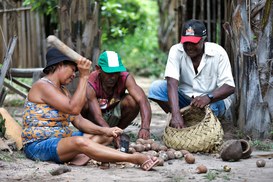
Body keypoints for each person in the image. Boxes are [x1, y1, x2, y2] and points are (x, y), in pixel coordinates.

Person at [21, 47, 159, 171]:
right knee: (79, 142)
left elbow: (79, 121)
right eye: (73, 70)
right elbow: (74, 108)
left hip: (61, 141)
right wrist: (84, 76)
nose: (74, 74)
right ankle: (134, 159)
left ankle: (82, 154)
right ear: (60, 65)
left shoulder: (63, 91)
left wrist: (107, 130)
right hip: (39, 146)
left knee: (105, 137)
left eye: (76, 71)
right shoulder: (42, 86)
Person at [148, 19, 235, 129]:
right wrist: (175, 113)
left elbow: (230, 87)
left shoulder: (218, 53)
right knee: (156, 88)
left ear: (204, 40)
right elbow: (171, 83)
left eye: (193, 43)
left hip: (212, 101)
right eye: (186, 42)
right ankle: (181, 119)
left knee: (212, 109)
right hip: (187, 100)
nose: (189, 46)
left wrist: (208, 97)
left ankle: (206, 124)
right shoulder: (176, 51)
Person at [81, 51, 152, 147]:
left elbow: (143, 100)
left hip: (114, 115)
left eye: (116, 72)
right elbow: (98, 116)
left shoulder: (125, 77)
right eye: (109, 73)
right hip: (94, 119)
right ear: (98, 69)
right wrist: (110, 132)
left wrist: (145, 127)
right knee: (83, 102)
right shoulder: (91, 82)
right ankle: (104, 134)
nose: (113, 77)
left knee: (132, 101)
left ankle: (118, 132)